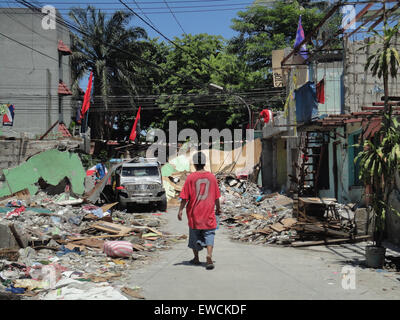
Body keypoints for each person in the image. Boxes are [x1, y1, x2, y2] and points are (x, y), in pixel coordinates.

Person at [178, 151, 221, 270]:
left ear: (195, 164)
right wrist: (218, 208)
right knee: (209, 234)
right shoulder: (212, 177)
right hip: (208, 212)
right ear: (204, 163)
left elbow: (184, 197)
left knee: (194, 235)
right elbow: (217, 196)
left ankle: (196, 258)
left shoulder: (190, 178)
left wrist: (180, 210)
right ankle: (209, 255)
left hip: (194, 213)